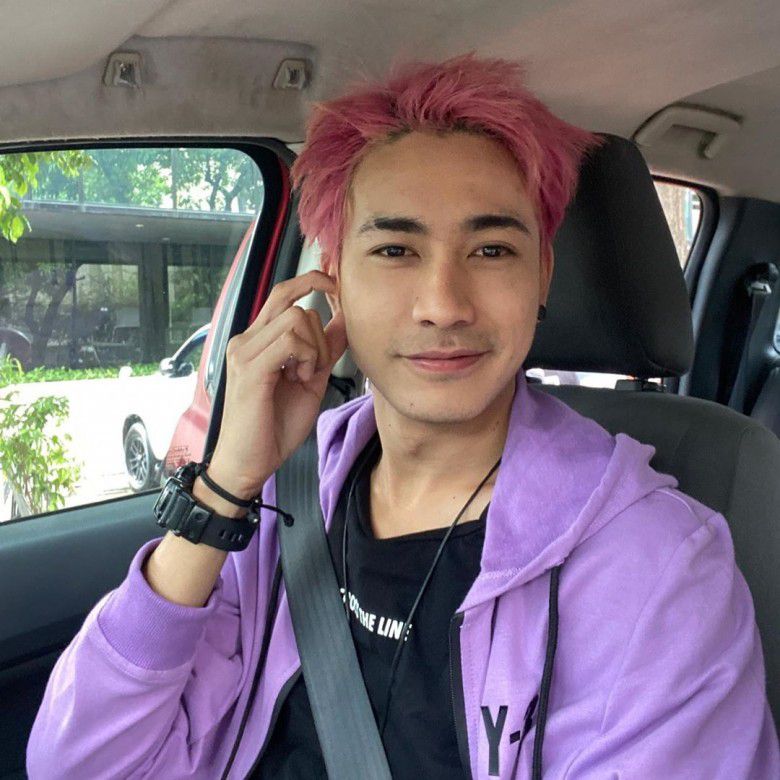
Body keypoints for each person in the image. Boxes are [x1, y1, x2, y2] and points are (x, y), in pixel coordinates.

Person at [27, 52, 778, 779]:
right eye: (394, 250)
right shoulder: (279, 500)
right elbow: (79, 763)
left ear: (542, 275)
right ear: (334, 278)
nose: (443, 305)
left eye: (491, 250)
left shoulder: (659, 570)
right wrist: (225, 484)